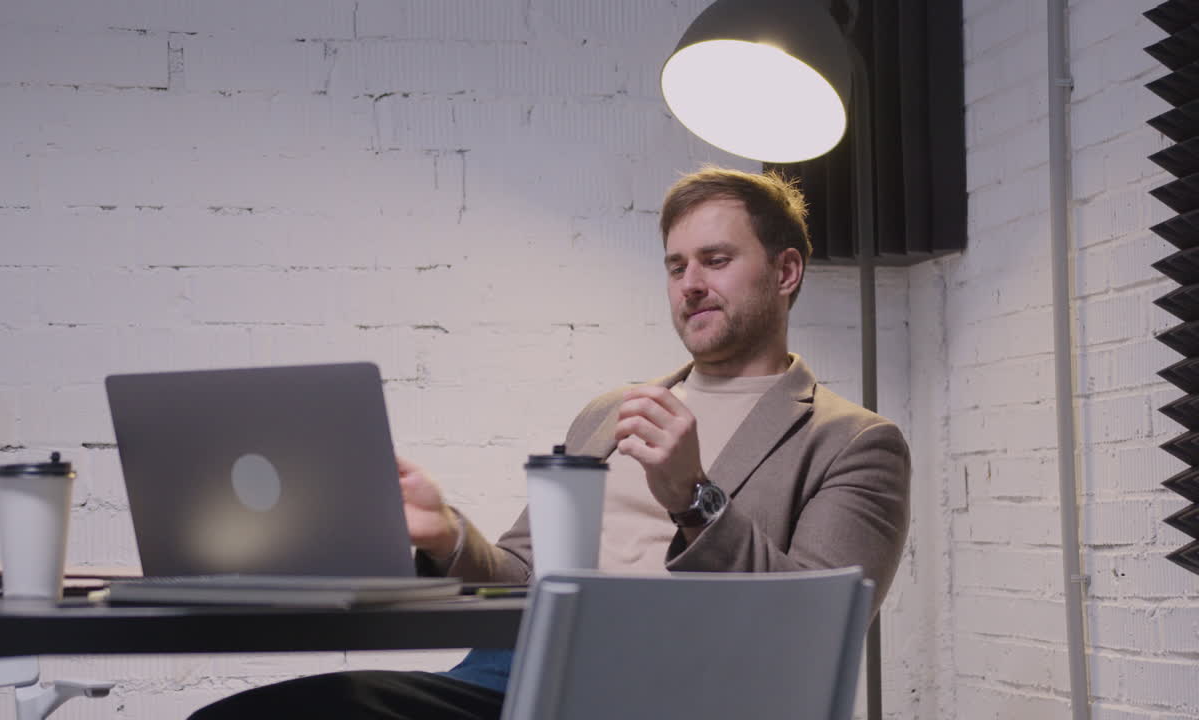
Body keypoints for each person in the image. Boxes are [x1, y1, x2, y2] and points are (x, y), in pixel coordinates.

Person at [190, 166, 911, 719]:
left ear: (786, 272)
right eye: (675, 266)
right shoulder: (610, 414)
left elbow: (814, 635)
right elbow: (528, 579)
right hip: (514, 677)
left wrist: (695, 500)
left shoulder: (853, 443)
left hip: (665, 693)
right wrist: (448, 535)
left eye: (715, 260)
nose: (690, 284)